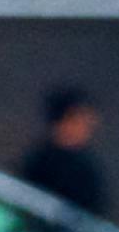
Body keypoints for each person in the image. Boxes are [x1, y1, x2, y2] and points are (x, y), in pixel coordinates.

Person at [19, 84, 112, 222]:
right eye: (82, 120)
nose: (89, 126)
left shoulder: (87, 165)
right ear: (65, 120)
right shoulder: (39, 161)